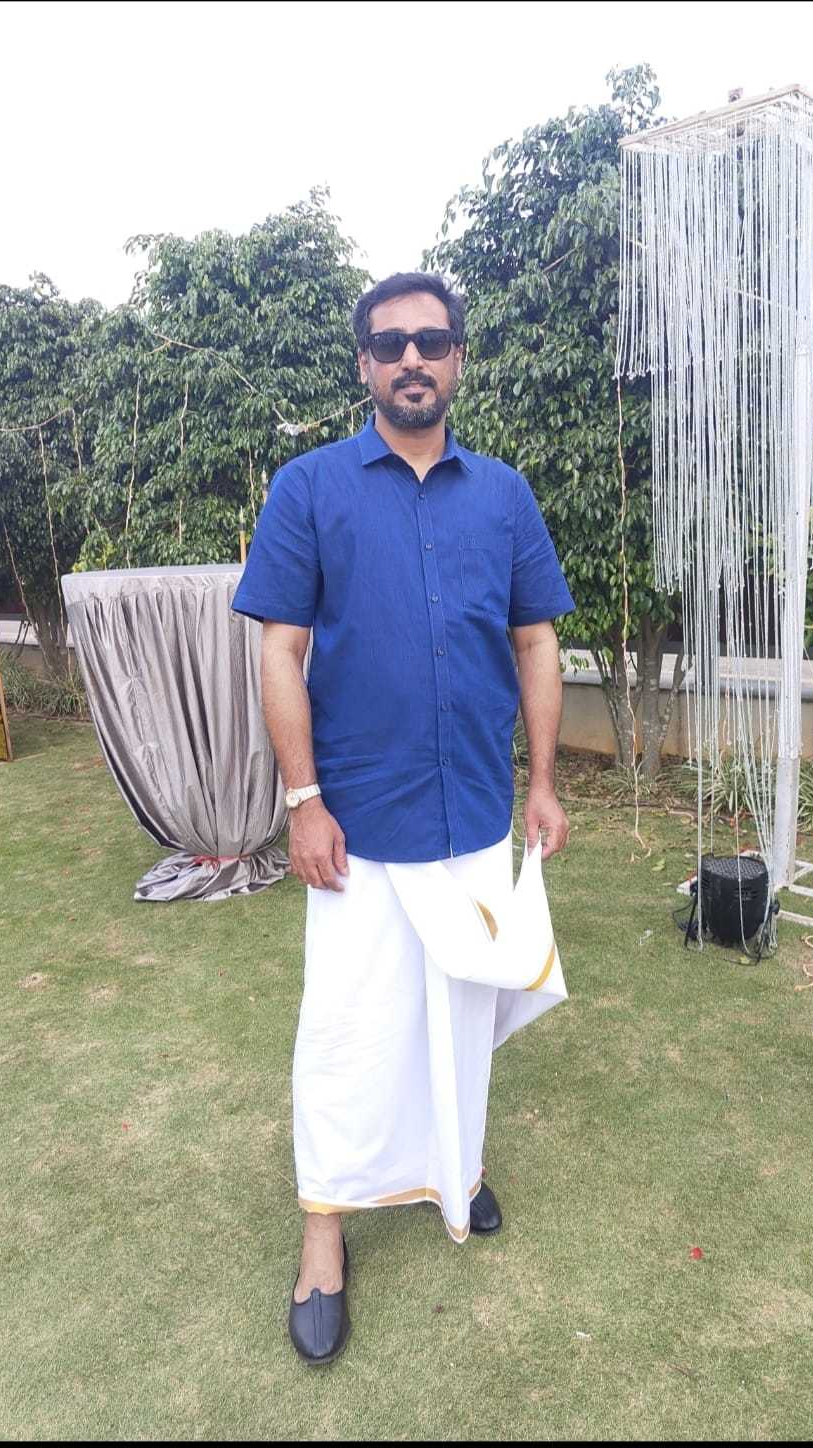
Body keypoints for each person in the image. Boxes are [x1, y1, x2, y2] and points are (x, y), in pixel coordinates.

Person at [232, 272, 574, 1365]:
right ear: (366, 365)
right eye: (390, 344)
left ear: (459, 357)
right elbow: (280, 649)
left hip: (473, 809)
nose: (412, 358)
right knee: (346, 1031)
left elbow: (536, 640)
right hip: (357, 822)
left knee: (461, 1013)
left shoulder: (504, 495)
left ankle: (455, 1169)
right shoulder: (309, 487)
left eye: (431, 339)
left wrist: (543, 783)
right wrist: (302, 801)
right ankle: (322, 1231)